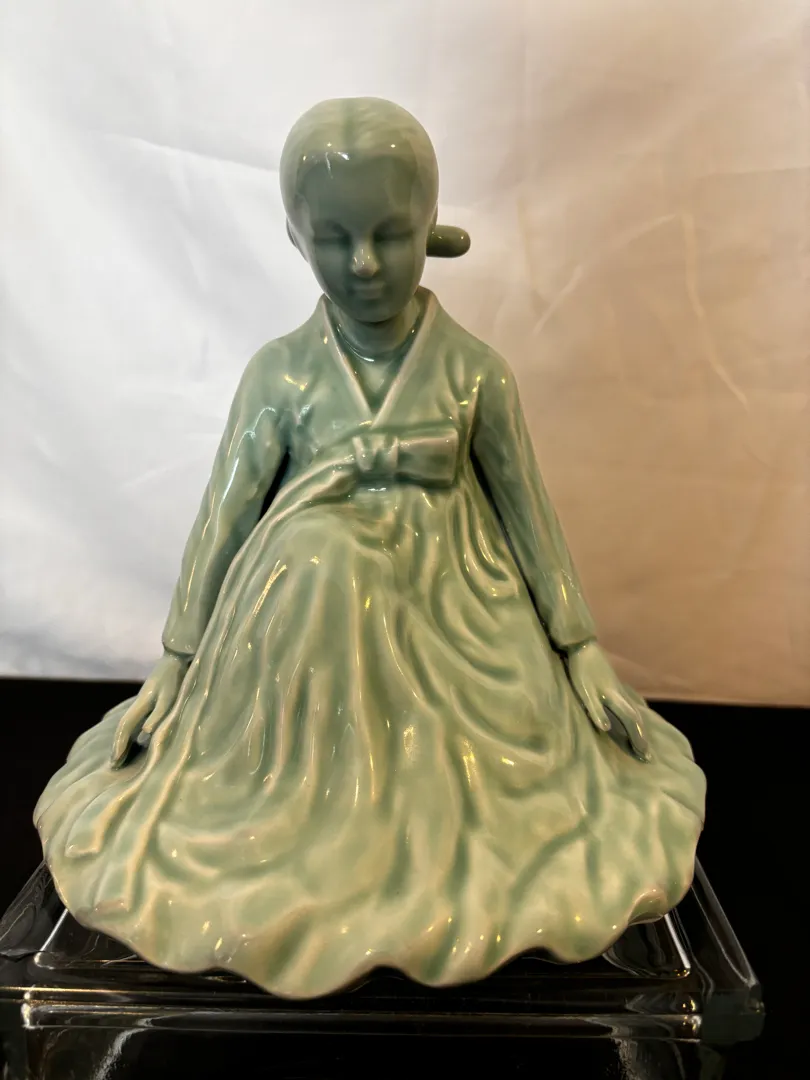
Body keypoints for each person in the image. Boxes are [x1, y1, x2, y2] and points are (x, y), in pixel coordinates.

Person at [35, 98, 705, 999]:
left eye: (390, 235)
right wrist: (178, 656)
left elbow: (529, 514)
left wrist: (577, 645)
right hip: (308, 623)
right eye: (334, 238)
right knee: (324, 559)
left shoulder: (474, 373)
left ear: (432, 230)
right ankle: (311, 846)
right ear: (294, 239)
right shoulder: (280, 375)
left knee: (519, 754)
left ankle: (438, 856)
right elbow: (224, 516)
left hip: (459, 616)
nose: (363, 263)